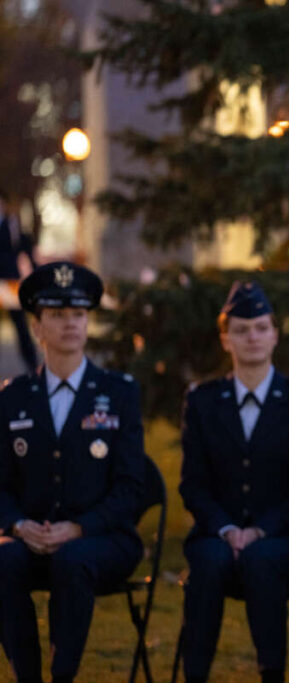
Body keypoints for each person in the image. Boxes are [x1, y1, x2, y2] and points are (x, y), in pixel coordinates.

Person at [0, 261, 144, 683]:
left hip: (101, 541)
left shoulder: (119, 393)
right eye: (57, 315)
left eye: (78, 315)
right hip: (32, 538)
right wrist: (19, 525)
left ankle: (62, 676)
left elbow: (131, 487)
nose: (70, 324)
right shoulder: (13, 398)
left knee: (72, 561)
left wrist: (78, 529)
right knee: (2, 560)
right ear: (37, 327)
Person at [178, 281, 289, 683]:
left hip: (287, 539)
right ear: (225, 340)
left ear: (275, 335)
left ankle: (271, 674)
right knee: (208, 564)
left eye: (262, 327)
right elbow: (193, 484)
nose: (253, 337)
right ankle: (194, 674)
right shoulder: (203, 401)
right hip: (218, 535)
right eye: (241, 330)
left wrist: (263, 530)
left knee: (263, 561)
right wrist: (227, 529)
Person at [0, 189, 38, 372]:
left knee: (20, 324)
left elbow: (25, 248)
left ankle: (31, 363)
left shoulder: (12, 225)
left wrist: (36, 272)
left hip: (9, 282)